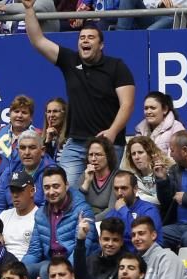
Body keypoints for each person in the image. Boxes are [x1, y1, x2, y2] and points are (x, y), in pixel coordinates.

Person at [21, 5, 135, 185]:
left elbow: (127, 105)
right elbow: (38, 40)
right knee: (62, 189)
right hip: (76, 144)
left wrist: (113, 132)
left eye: (91, 37)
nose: (85, 41)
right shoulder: (70, 60)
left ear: (101, 45)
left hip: (107, 145)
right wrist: (28, 9)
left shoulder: (117, 67)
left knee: (103, 195)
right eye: (81, 37)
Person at [0, 132, 56, 217]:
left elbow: (49, 209)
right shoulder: (9, 172)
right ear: (18, 151)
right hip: (9, 221)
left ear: (42, 151)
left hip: (38, 221)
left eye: (32, 148)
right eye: (22, 148)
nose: (27, 152)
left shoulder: (52, 173)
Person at [134, 91, 184, 157]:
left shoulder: (177, 128)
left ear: (165, 110)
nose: (148, 112)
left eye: (153, 108)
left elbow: (175, 160)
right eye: (146, 108)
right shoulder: (140, 130)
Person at [123, 136, 171, 206]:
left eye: (140, 152)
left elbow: (164, 201)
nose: (136, 157)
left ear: (150, 153)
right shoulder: (131, 176)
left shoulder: (166, 172)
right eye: (133, 154)